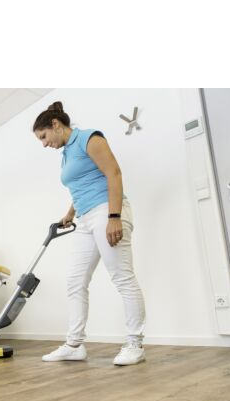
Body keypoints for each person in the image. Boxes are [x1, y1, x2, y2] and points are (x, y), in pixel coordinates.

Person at [33, 101, 146, 366]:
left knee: (122, 278)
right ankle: (74, 345)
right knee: (75, 281)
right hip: (85, 218)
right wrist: (70, 213)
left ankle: (135, 344)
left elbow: (113, 173)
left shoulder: (88, 138)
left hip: (107, 210)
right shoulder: (66, 153)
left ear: (55, 125)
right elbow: (82, 184)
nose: (44, 144)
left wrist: (114, 217)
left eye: (44, 137)